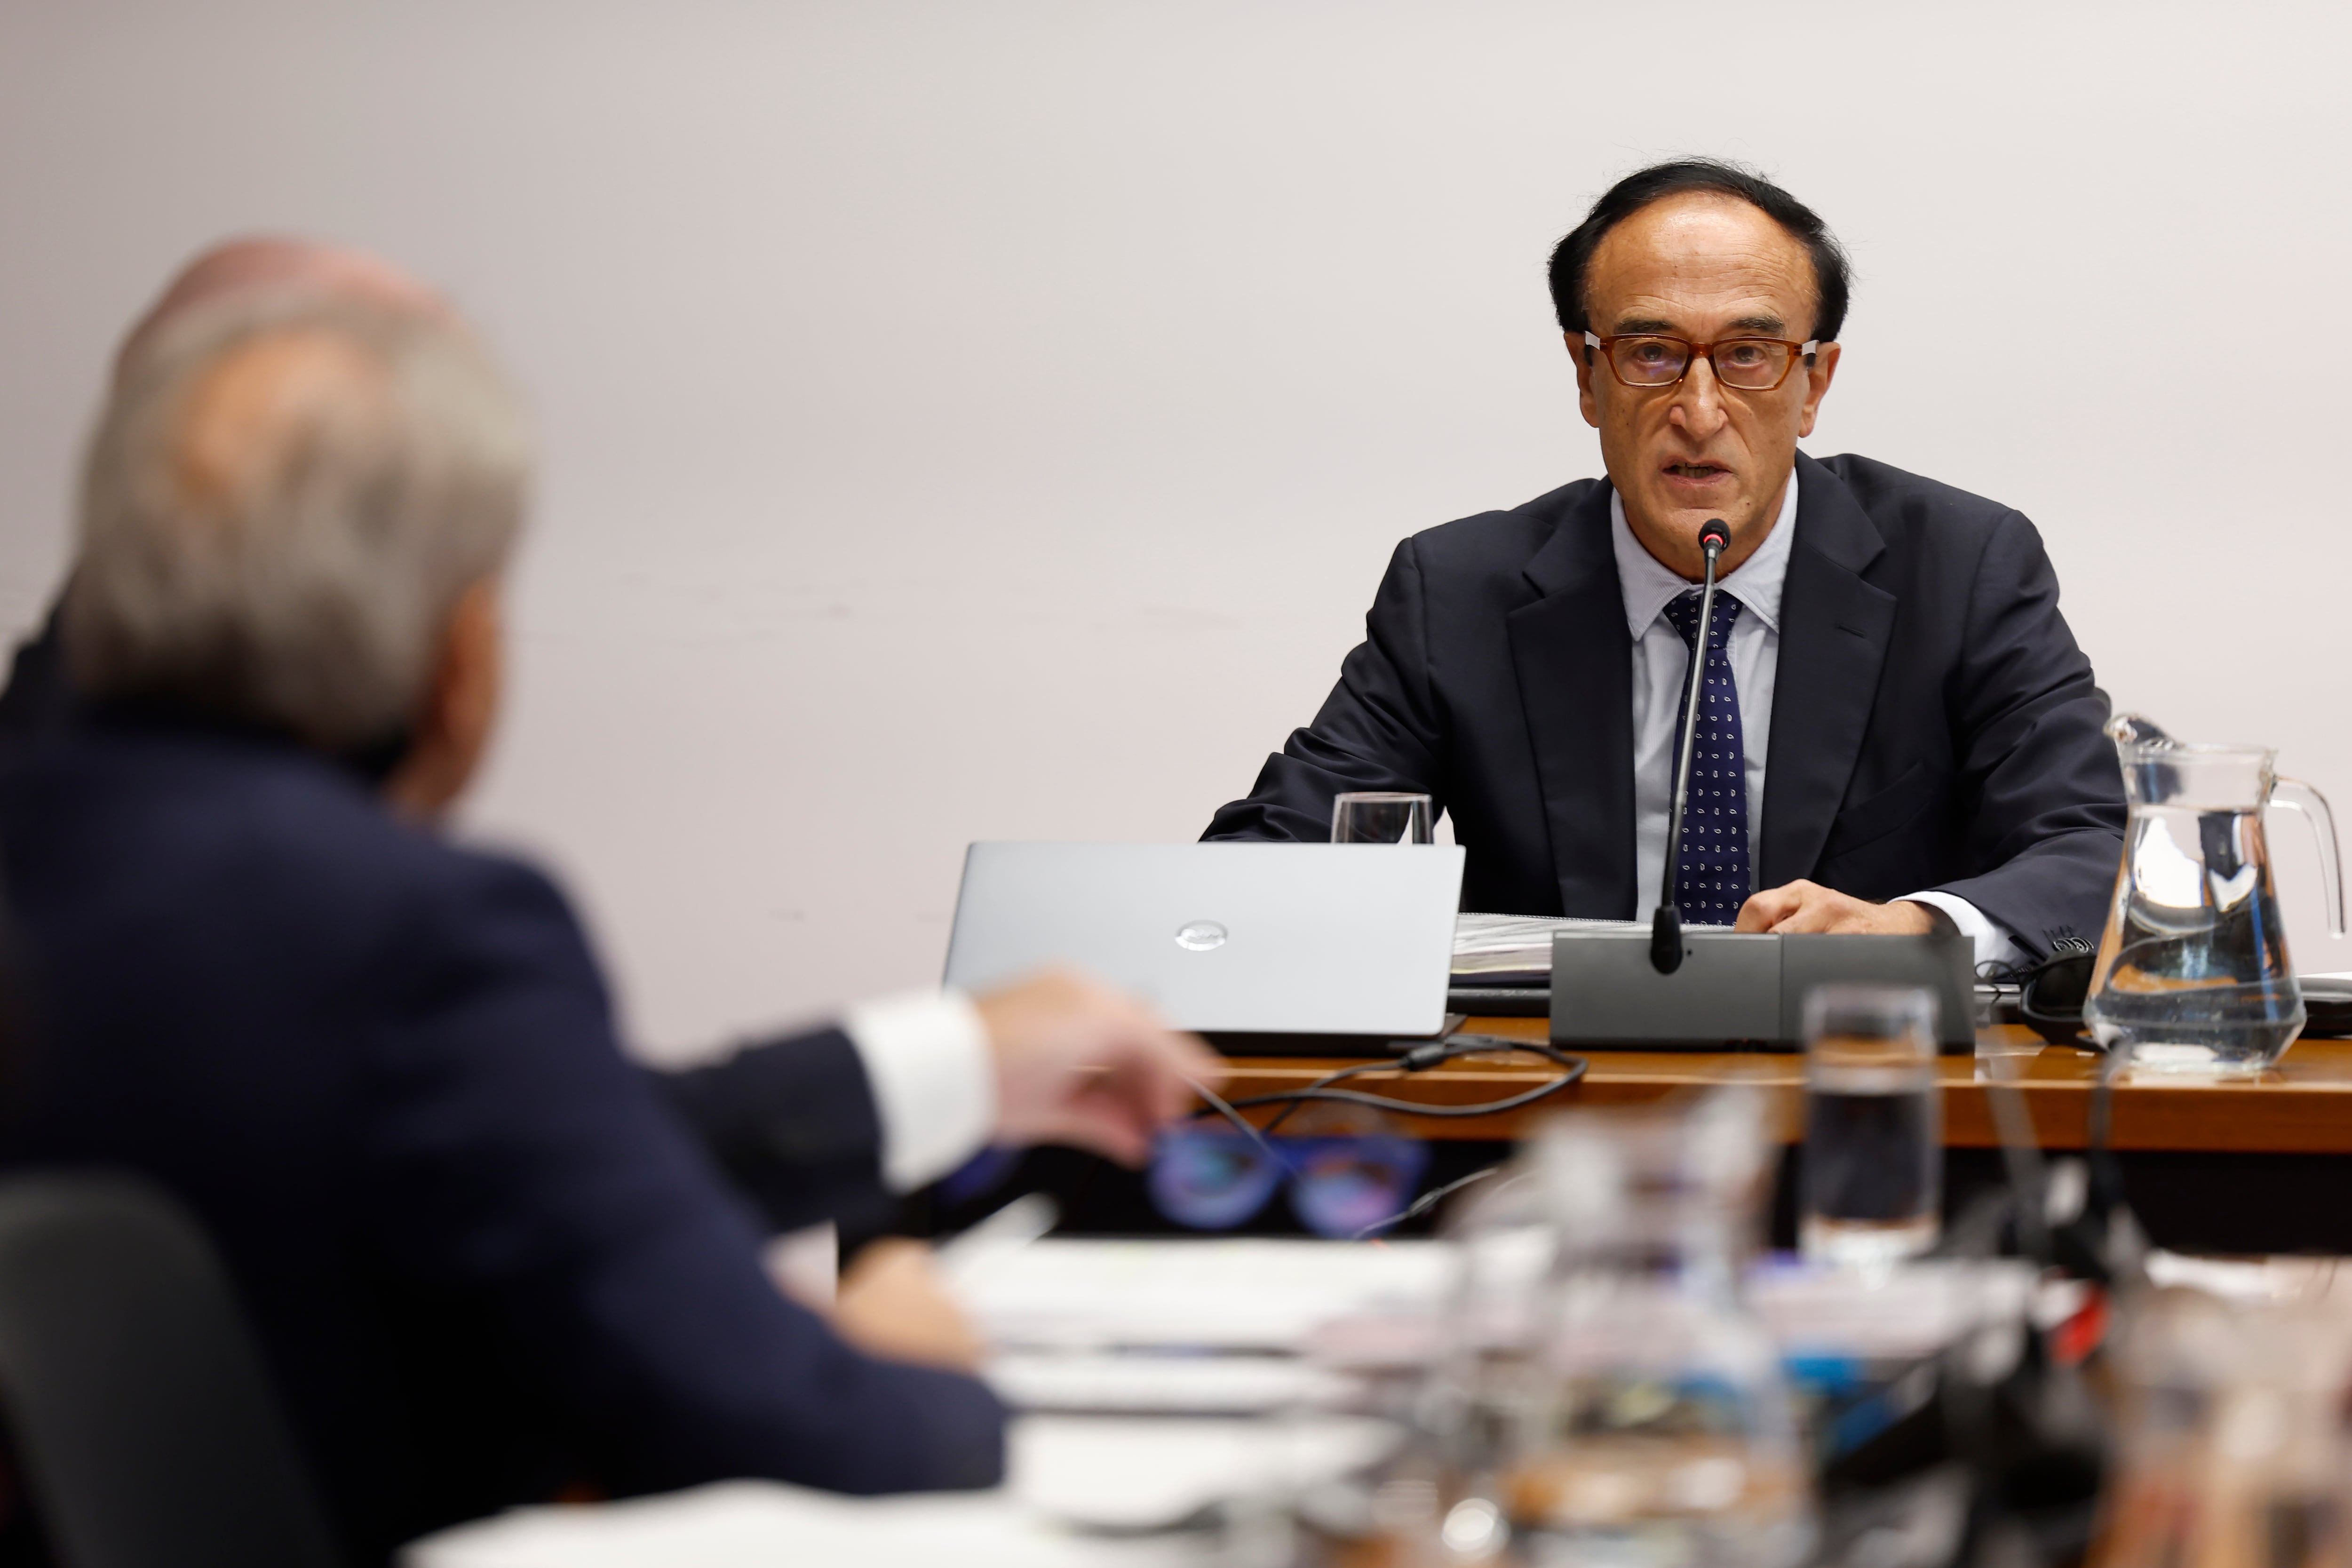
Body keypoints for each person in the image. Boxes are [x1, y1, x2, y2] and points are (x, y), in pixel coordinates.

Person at [0, 271, 1220, 1563]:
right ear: (462, 653)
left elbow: (546, 1144)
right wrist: (918, 1361)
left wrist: (959, 1057)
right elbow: (802, 1425)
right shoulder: (419, 931)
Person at [1205, 160, 2124, 965]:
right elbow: (1280, 848)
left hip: (1855, 1075)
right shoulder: (1456, 591)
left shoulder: (1959, 568)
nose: (1697, 407)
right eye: (1651, 353)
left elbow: (2088, 846)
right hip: (1558, 1100)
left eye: (1747, 355)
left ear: (1814, 382)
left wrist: (1917, 927)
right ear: (1585, 374)